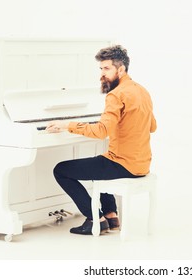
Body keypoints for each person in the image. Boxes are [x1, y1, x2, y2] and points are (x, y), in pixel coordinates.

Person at [46, 45, 157, 235]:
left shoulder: (116, 94)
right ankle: (111, 215)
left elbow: (101, 131)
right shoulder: (142, 91)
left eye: (107, 69)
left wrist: (67, 125)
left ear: (120, 69)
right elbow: (152, 126)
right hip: (142, 164)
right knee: (100, 161)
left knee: (61, 170)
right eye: (101, 69)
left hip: (124, 164)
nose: (102, 74)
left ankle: (94, 219)